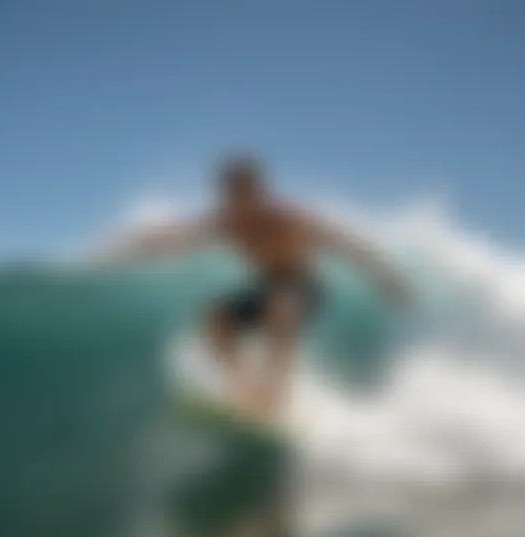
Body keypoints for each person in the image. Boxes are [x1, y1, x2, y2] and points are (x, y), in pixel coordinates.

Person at [94, 155, 410, 419]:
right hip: (267, 286)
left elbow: (346, 243)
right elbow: (173, 238)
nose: (236, 201)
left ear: (259, 190)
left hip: (305, 286)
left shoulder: (289, 217)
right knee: (215, 318)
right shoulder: (226, 221)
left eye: (243, 192)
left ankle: (276, 397)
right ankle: (244, 393)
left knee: (280, 305)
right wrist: (124, 250)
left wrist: (386, 279)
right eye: (230, 193)